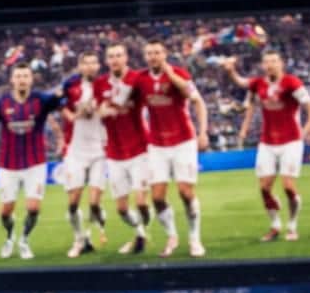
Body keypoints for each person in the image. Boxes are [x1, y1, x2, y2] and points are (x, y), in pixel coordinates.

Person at [0, 64, 65, 260]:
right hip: (8, 165)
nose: (22, 79)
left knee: (33, 208)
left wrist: (62, 137)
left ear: (31, 79)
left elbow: (61, 104)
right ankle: (10, 236)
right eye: (18, 76)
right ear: (12, 80)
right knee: (5, 212)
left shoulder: (41, 100)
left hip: (35, 163)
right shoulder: (2, 103)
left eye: (25, 76)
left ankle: (24, 240)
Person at [223, 51, 310, 241]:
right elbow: (242, 85)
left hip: (291, 141)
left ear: (281, 63)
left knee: (288, 187)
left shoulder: (291, 82)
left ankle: (292, 225)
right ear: (262, 65)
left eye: (273, 61)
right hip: (267, 142)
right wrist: (231, 70)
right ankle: (275, 225)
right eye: (266, 62)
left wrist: (306, 129)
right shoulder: (258, 84)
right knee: (265, 188)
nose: (270, 65)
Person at [141, 40, 209, 257]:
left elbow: (196, 100)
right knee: (157, 198)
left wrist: (203, 132)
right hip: (157, 144)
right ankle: (172, 236)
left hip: (183, 141)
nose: (153, 56)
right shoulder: (141, 79)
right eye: (149, 53)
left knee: (186, 192)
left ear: (165, 54)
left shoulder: (179, 74)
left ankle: (194, 238)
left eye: (157, 52)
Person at [94, 43, 153, 255]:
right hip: (114, 152)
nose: (115, 60)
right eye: (111, 56)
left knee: (141, 202)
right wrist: (102, 112)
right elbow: (99, 112)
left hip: (139, 149)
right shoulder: (100, 84)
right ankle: (140, 233)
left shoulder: (136, 79)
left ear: (126, 57)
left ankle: (144, 233)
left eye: (119, 55)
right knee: (121, 208)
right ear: (106, 61)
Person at [58, 52, 110, 258]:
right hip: (75, 151)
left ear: (98, 65)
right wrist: (75, 114)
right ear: (80, 66)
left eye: (93, 62)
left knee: (94, 202)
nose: (90, 66)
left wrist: (101, 110)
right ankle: (79, 239)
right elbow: (62, 108)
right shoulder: (69, 85)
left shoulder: (106, 84)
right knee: (73, 203)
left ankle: (95, 220)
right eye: (86, 63)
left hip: (99, 150)